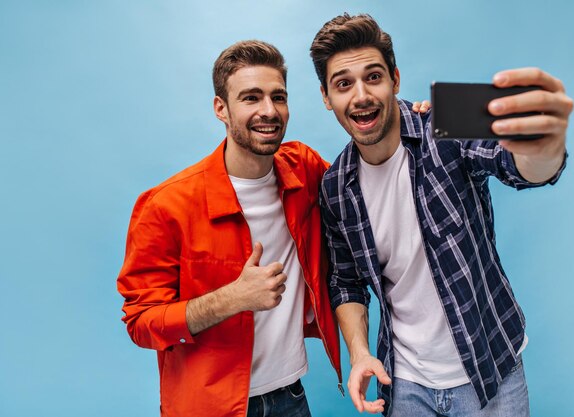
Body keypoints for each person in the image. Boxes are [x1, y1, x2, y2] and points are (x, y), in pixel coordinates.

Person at [117, 39, 428, 417]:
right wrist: (232, 298)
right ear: (221, 108)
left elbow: (363, 186)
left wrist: (413, 117)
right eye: (251, 98)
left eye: (278, 97)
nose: (269, 111)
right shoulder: (167, 205)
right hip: (208, 407)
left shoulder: (304, 169)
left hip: (291, 397)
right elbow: (141, 322)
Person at [310, 13, 574, 417]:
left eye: (374, 77)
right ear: (327, 98)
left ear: (395, 79)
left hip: (489, 369)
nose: (361, 95)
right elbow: (346, 282)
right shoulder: (336, 187)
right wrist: (360, 354)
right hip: (405, 385)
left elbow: (516, 165)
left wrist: (545, 147)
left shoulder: (443, 128)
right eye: (343, 84)